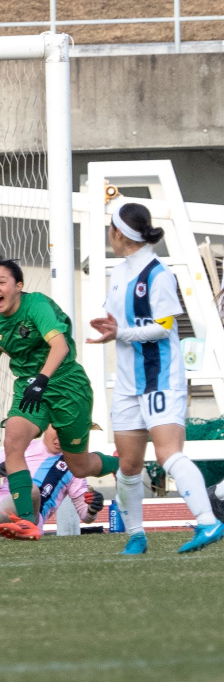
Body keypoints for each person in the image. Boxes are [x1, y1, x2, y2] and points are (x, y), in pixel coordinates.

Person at [87, 200, 224, 554]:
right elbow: (120, 322)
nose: (109, 234)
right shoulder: (119, 273)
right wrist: (109, 328)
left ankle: (209, 523)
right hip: (128, 383)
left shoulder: (158, 274)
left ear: (118, 232)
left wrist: (121, 333)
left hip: (161, 378)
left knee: (167, 454)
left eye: (110, 228)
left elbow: (163, 328)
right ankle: (136, 536)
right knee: (129, 465)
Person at [0, 259, 116, 540]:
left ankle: (119, 462)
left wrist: (43, 380)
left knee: (78, 466)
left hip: (66, 384)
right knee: (13, 441)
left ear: (19, 286)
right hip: (29, 387)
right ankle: (27, 522)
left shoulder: (37, 305)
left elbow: (60, 346)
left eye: (2, 281)